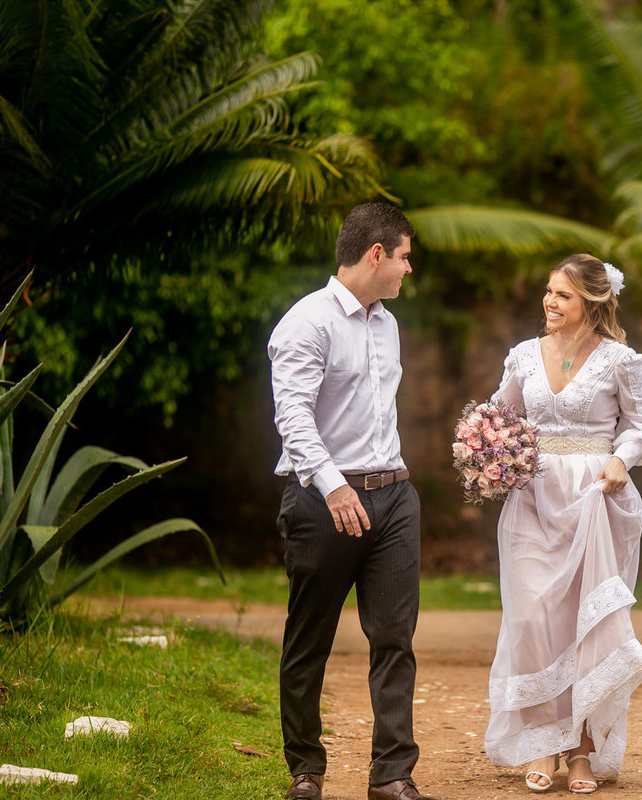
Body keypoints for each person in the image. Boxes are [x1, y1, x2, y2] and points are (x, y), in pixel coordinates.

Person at [268, 202, 436, 800]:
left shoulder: (386, 323)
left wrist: (392, 473)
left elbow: (375, 412)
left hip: (392, 499)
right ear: (376, 254)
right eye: (404, 257)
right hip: (321, 501)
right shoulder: (305, 323)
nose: (407, 270)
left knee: (394, 638)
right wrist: (334, 484)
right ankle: (306, 771)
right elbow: (293, 416)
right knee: (309, 638)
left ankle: (392, 775)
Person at [484, 254, 642, 794]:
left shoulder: (622, 362)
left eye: (562, 295)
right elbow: (498, 415)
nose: (549, 302)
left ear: (591, 303)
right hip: (532, 502)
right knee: (533, 617)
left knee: (585, 626)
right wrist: (485, 447)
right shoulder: (522, 357)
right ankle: (542, 741)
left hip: (594, 501)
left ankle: (581, 749)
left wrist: (620, 459)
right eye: (548, 292)